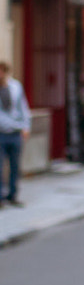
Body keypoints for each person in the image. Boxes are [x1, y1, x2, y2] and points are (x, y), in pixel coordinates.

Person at [0, 61, 32, 207]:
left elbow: (23, 107)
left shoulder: (15, 86)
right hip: (1, 133)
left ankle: (12, 195)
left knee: (15, 166)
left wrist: (26, 127)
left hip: (15, 132)